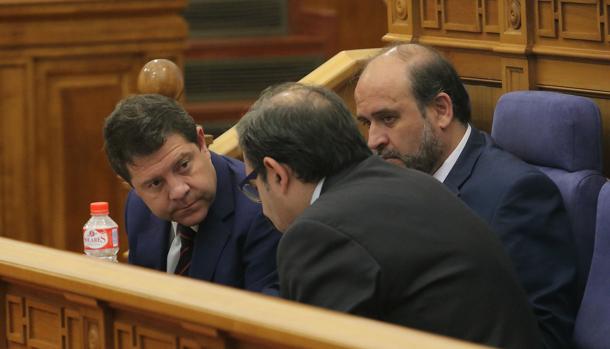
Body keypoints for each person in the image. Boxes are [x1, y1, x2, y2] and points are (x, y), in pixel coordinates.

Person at [235, 82, 542, 348]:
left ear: (276, 174)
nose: (260, 205)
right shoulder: (413, 182)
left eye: (253, 183)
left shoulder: (317, 233)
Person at [354, 43, 576, 348]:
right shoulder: (386, 184)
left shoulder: (517, 195)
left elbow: (540, 336)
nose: (373, 140)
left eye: (388, 119)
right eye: (367, 123)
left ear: (441, 110)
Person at [103, 94, 281, 294]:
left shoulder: (262, 208)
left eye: (183, 165)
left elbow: (262, 318)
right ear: (130, 185)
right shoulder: (138, 208)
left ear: (201, 143)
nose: (179, 191)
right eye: (155, 183)